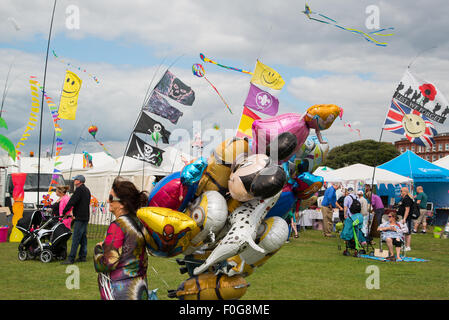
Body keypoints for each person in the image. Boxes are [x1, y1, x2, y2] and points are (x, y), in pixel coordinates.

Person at [93, 178, 150, 300]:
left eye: (111, 197)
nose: (108, 201)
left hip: (121, 290)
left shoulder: (118, 225)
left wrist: (98, 249)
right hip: (140, 288)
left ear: (122, 203)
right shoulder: (139, 222)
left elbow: (107, 263)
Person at [61, 175, 91, 264]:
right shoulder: (87, 190)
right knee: (83, 238)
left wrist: (64, 211)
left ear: (80, 181)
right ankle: (82, 256)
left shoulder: (79, 189)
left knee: (76, 238)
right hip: (85, 216)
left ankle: (71, 258)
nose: (74, 180)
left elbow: (72, 201)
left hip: (80, 217)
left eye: (76, 179)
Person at [397, 187, 413, 252]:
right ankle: (403, 245)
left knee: (408, 232)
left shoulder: (407, 199)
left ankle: (408, 246)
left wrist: (404, 218)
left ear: (405, 192)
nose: (400, 192)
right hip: (402, 217)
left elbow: (407, 209)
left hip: (407, 218)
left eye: (401, 191)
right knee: (403, 231)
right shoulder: (403, 199)